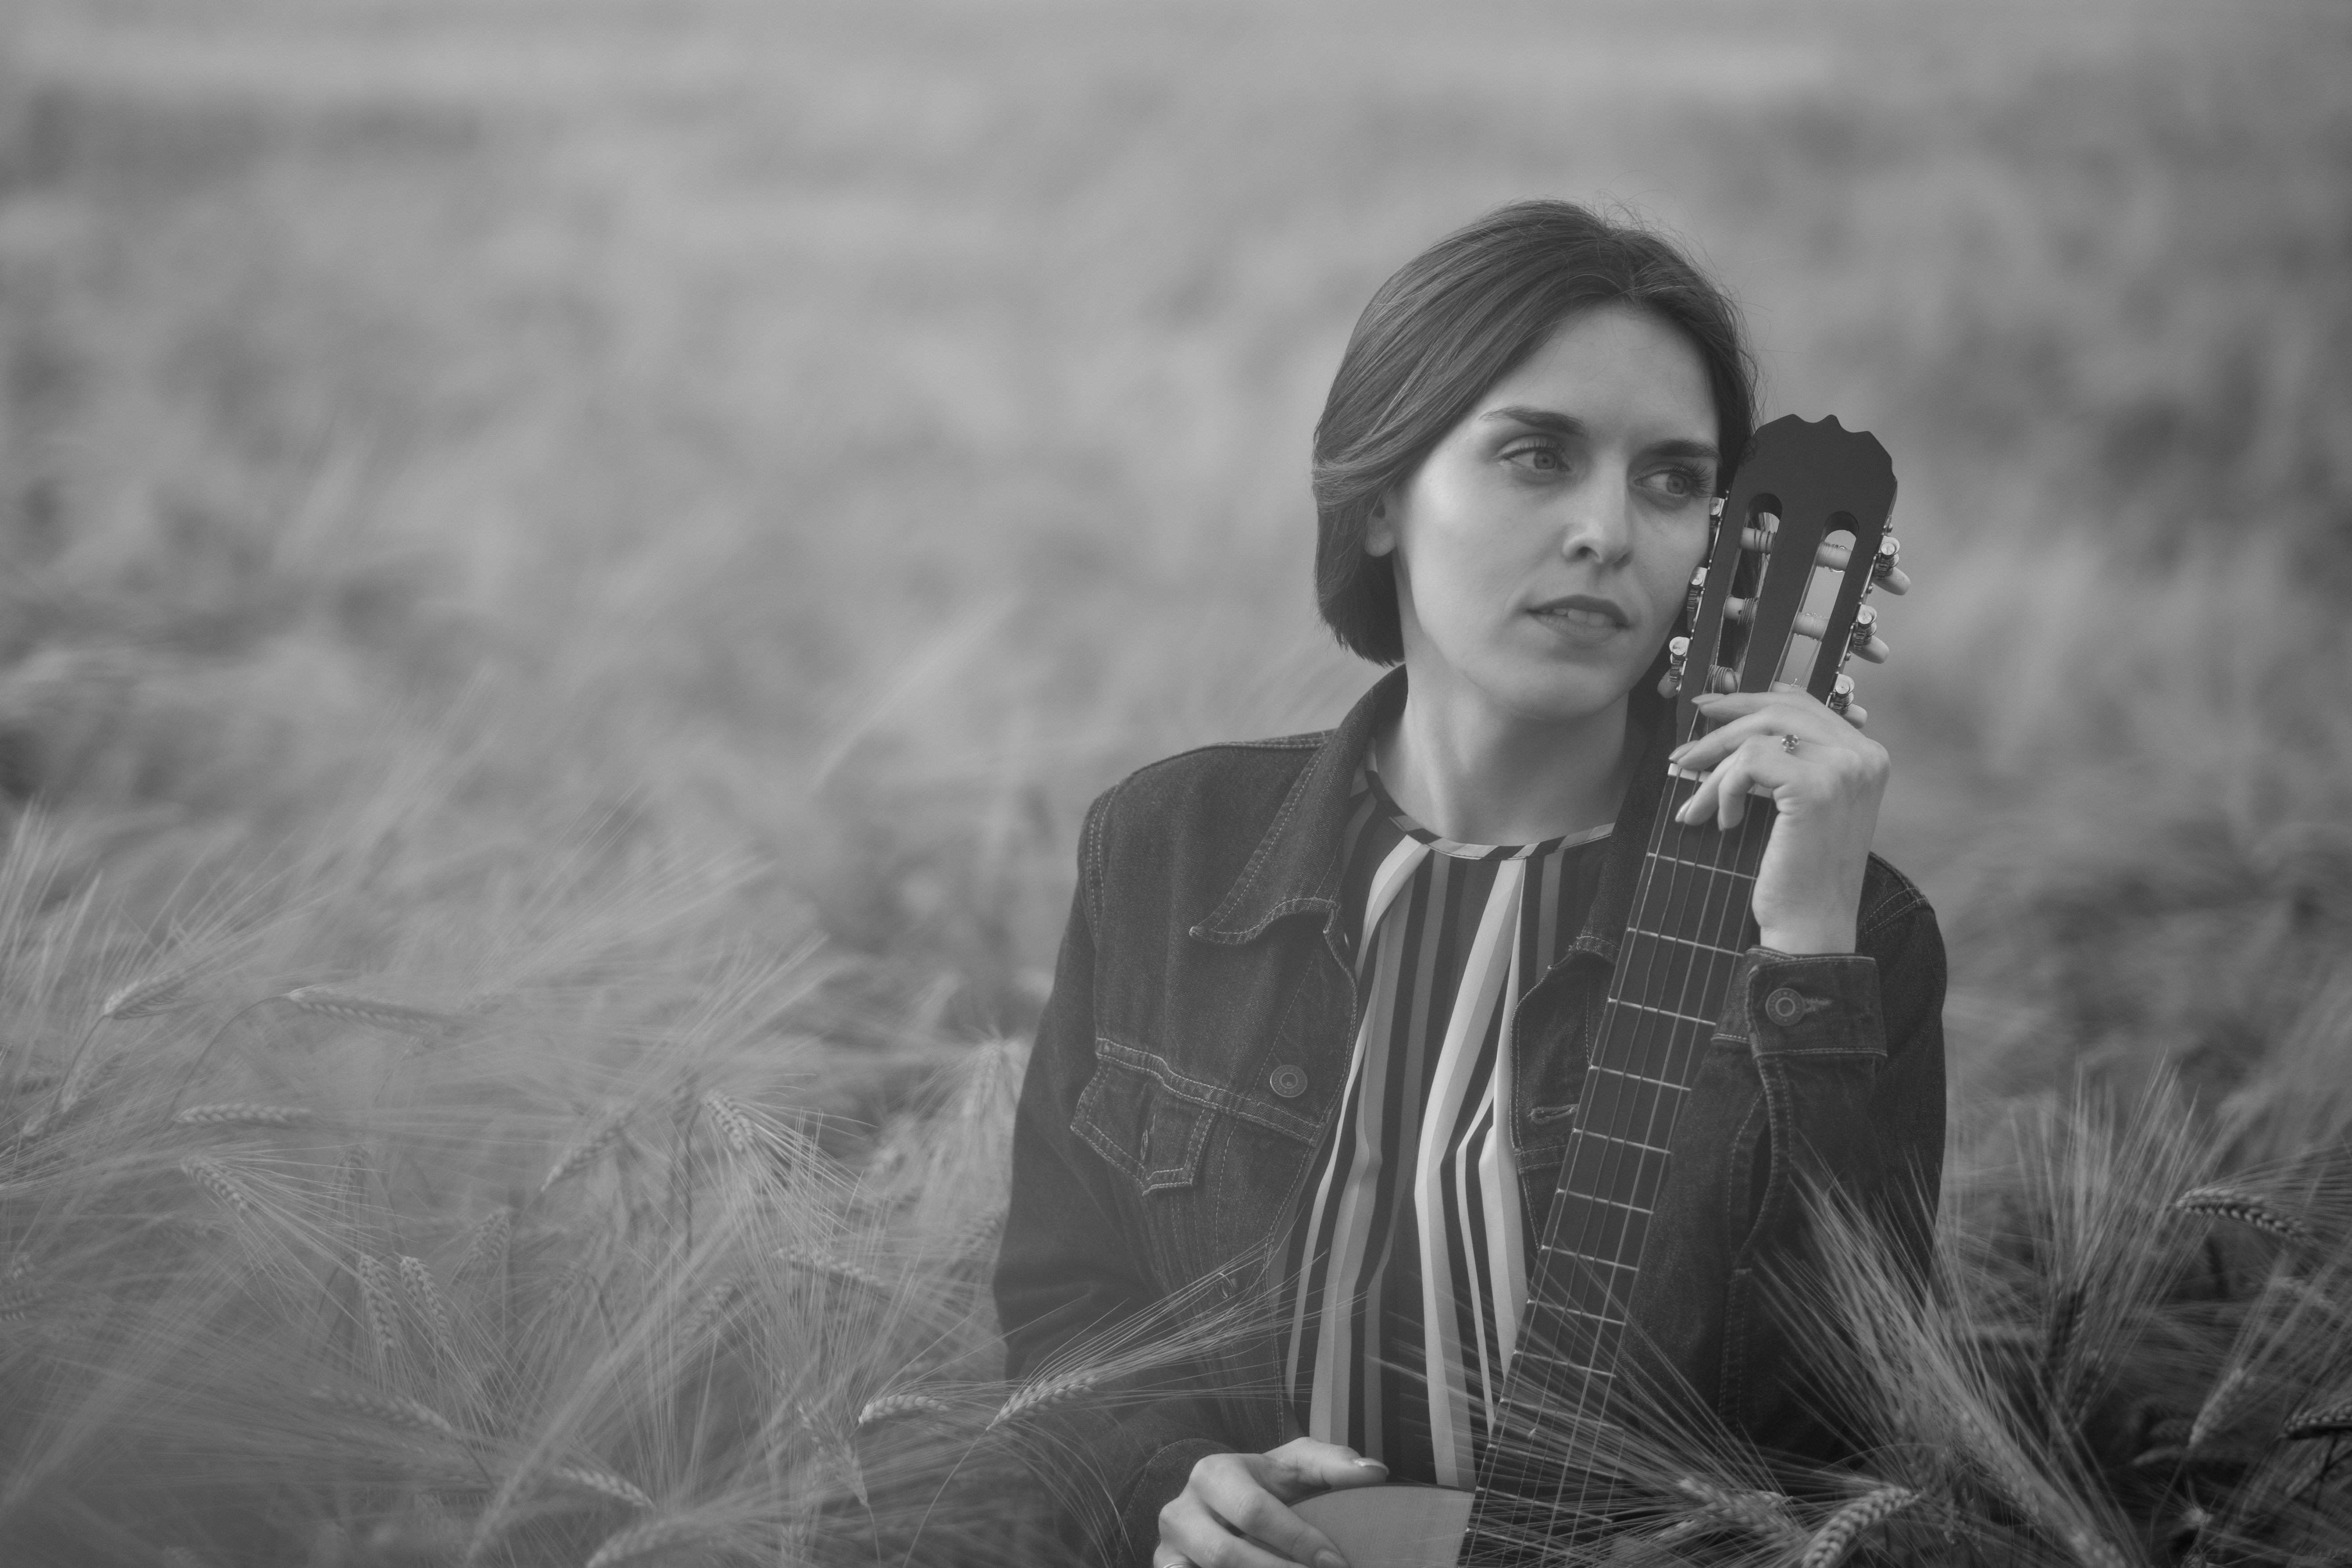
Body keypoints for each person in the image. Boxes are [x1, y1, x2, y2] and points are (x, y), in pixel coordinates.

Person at [993, 200, 1946, 1568]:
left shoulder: (1853, 931)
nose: (1607, 531)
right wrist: (1167, 1482)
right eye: (1537, 456)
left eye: (1675, 480)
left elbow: (1841, 1432)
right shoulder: (1168, 847)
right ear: (1381, 495)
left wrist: (1803, 967)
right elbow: (1068, 1301)